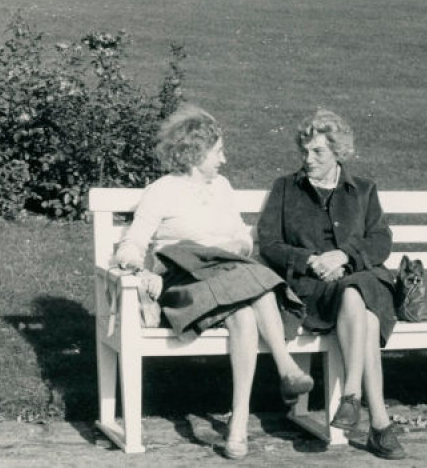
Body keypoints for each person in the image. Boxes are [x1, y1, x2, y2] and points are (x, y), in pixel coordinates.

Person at [112, 104, 313, 460]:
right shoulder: (162, 190)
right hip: (184, 283)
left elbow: (242, 238)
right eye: (218, 151)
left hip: (229, 277)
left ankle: (237, 430)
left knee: (246, 314)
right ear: (196, 152)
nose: (224, 159)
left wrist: (232, 245)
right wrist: (137, 272)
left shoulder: (222, 187)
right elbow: (133, 243)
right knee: (258, 282)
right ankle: (285, 366)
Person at [257, 109, 406, 460]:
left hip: (362, 280)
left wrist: (344, 256)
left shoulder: (364, 190)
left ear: (338, 151)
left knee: (357, 291)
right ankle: (378, 422)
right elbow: (269, 243)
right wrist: (310, 260)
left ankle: (352, 397)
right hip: (315, 291)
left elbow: (381, 241)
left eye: (318, 152)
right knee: (364, 313)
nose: (308, 159)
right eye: (305, 151)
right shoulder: (284, 188)